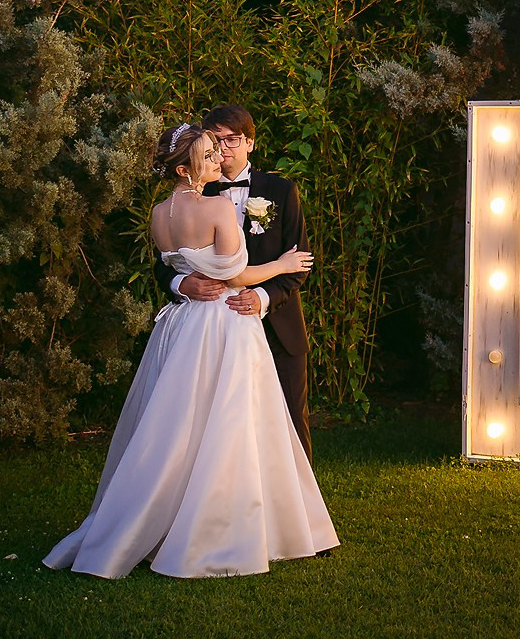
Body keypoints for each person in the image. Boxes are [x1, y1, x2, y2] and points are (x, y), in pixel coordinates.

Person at [44, 124, 338, 578]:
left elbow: (179, 261)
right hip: (224, 324)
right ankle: (219, 530)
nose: (219, 155)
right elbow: (233, 277)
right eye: (209, 151)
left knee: (176, 427)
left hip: (181, 329)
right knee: (230, 423)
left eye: (222, 147)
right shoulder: (218, 206)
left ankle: (157, 522)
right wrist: (279, 265)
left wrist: (186, 279)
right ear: (186, 167)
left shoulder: (159, 213)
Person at [168, 105, 316, 458]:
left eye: (232, 140)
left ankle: (298, 508)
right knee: (217, 426)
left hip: (277, 325)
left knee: (290, 421)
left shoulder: (281, 190)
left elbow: (300, 263)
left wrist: (262, 297)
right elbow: (166, 260)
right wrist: (182, 284)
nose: (224, 149)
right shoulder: (195, 190)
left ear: (250, 142)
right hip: (213, 329)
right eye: (215, 142)